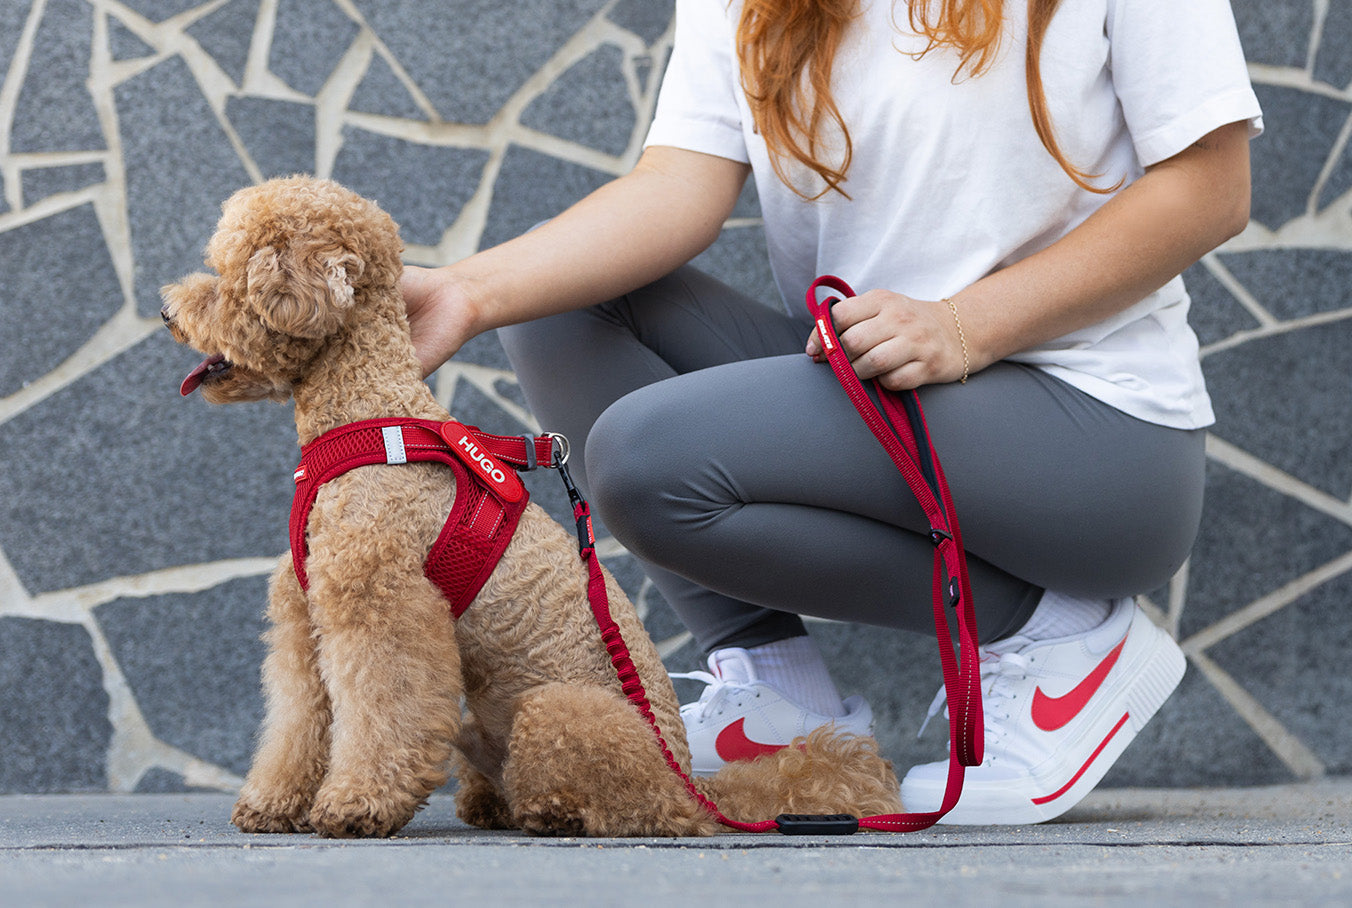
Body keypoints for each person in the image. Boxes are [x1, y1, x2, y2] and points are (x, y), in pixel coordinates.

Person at [401, 0, 1262, 824]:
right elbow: (679, 182)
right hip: (882, 384)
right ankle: (780, 698)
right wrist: (468, 294)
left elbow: (1211, 187)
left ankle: (1062, 636)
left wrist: (968, 325)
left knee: (647, 458)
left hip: (1097, 437)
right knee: (554, 300)